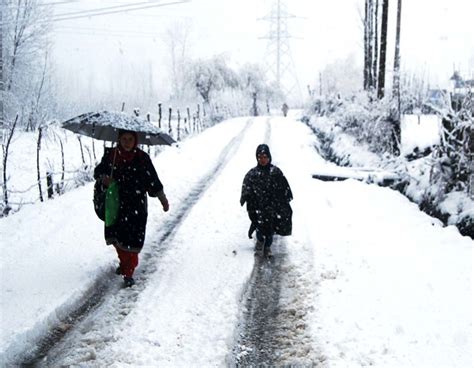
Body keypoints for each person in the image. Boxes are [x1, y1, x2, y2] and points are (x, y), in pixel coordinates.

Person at [94, 129, 169, 287]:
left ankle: (129, 272)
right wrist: (104, 179)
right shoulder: (111, 156)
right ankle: (124, 263)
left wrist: (163, 199)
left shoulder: (142, 158)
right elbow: (98, 172)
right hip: (116, 204)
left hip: (136, 205)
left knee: (133, 240)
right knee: (117, 238)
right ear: (119, 140)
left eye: (130, 139)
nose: (127, 142)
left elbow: (153, 180)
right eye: (124, 139)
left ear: (135, 141)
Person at [240, 144, 293, 257]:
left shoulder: (275, 172)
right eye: (260, 157)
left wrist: (283, 200)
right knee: (259, 227)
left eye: (265, 157)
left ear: (269, 157)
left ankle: (268, 247)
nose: (263, 160)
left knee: (270, 229)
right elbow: (247, 187)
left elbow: (284, 188)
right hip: (258, 207)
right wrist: (246, 197)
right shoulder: (253, 174)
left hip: (272, 207)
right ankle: (259, 241)